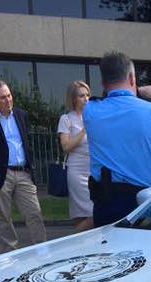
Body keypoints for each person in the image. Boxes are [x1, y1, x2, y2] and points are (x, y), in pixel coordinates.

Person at [81, 51, 151, 226]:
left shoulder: (90, 111)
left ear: (103, 83)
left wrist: (138, 91)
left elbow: (109, 100)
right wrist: (141, 91)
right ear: (132, 78)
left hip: (106, 206)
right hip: (146, 206)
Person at [0, 80, 47, 250]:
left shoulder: (21, 114)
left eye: (9, 95)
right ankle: (11, 254)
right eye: (3, 97)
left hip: (23, 172)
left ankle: (42, 250)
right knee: (4, 217)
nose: (8, 100)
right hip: (1, 174)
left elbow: (25, 141)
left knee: (34, 213)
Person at [57, 81, 94, 231]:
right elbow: (66, 146)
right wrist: (84, 130)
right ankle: (74, 240)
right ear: (73, 99)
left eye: (87, 95)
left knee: (97, 210)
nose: (86, 99)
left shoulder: (94, 116)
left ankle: (85, 244)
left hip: (94, 169)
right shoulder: (66, 119)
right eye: (81, 96)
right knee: (84, 214)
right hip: (77, 170)